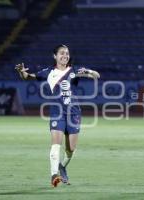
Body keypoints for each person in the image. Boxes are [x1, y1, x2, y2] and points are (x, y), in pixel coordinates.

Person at [15, 44, 100, 187]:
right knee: (56, 144)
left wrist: (89, 71)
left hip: (73, 113)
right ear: (55, 56)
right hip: (57, 111)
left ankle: (62, 166)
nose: (65, 56)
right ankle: (54, 175)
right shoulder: (48, 72)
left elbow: (97, 76)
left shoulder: (74, 70)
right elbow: (27, 77)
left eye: (67, 53)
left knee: (71, 149)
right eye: (61, 53)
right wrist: (21, 71)